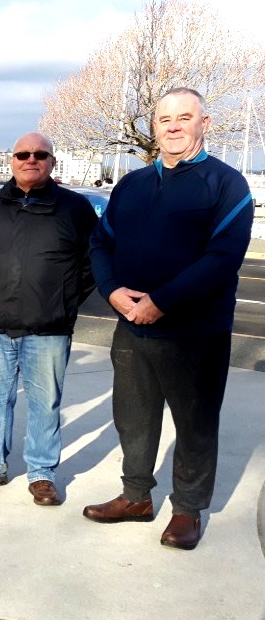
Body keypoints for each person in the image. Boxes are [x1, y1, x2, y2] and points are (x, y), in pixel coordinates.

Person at [84, 87, 253, 549]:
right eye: (164, 119)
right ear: (154, 126)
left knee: (195, 423)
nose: (173, 127)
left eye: (184, 118)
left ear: (205, 123)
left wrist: (160, 301)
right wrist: (113, 291)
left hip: (195, 331)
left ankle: (187, 510)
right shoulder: (132, 185)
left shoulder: (226, 184)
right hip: (131, 325)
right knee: (133, 417)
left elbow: (221, 258)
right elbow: (102, 244)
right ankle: (136, 496)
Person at [0, 132, 97, 506]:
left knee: (44, 404)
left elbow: (91, 265)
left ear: (52, 162)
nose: (30, 159)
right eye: (23, 154)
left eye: (40, 154)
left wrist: (63, 301)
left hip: (49, 329)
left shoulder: (74, 208)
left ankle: (42, 473)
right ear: (11, 160)